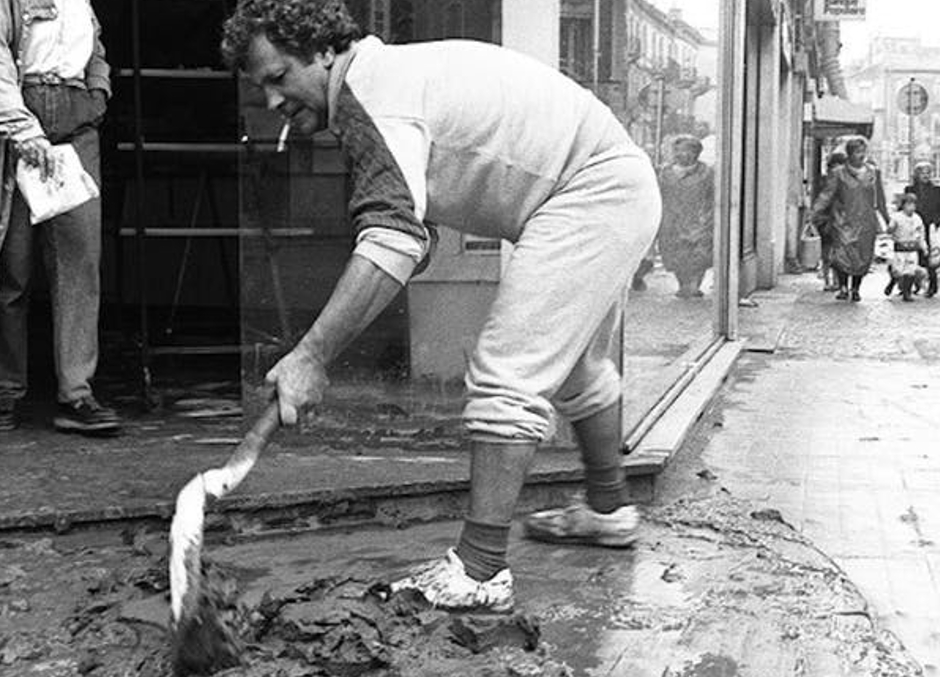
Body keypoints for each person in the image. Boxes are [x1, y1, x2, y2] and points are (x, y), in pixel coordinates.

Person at [221, 0, 659, 613]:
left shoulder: (374, 93)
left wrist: (311, 356)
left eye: (277, 77)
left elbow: (394, 240)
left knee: (507, 372)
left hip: (592, 192)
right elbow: (408, 234)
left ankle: (479, 572)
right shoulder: (379, 82)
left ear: (322, 51)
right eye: (260, 86)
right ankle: (609, 511)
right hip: (607, 189)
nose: (271, 101)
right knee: (576, 367)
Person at [0, 0, 121, 436]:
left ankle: (77, 394)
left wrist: (98, 93)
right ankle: (4, 393)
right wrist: (23, 130)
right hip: (14, 128)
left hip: (75, 126)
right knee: (9, 266)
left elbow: (95, 50)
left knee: (80, 263)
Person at [810, 137, 888, 303]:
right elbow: (827, 195)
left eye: (863, 152)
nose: (861, 156)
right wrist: (815, 212)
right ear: (850, 154)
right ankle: (843, 286)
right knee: (842, 254)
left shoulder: (873, 173)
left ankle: (856, 289)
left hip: (866, 221)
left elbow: (880, 198)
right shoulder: (838, 173)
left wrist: (887, 220)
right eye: (857, 152)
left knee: (863, 255)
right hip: (843, 219)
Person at [656, 135, 715, 299]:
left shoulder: (707, 173)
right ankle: (683, 284)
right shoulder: (665, 173)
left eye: (688, 151)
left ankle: (694, 285)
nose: (683, 154)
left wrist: (708, 218)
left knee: (698, 255)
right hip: (672, 221)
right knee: (676, 255)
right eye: (679, 150)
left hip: (698, 220)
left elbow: (712, 197)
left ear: (696, 153)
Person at [903, 161, 940, 297]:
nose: (926, 175)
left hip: (928, 228)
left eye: (928, 173)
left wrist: (936, 223)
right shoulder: (910, 190)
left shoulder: (937, 190)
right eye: (922, 173)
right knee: (911, 257)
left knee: (929, 259)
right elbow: (904, 207)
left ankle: (932, 286)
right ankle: (911, 286)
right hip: (912, 228)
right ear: (916, 175)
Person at [816, 150, 848, 291]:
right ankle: (828, 280)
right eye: (834, 166)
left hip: (839, 221)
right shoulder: (825, 181)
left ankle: (836, 281)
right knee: (827, 252)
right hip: (827, 221)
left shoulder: (846, 182)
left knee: (836, 253)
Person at [886, 193, 927, 302]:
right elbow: (889, 231)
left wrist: (924, 247)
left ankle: (907, 292)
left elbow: (921, 234)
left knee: (910, 271)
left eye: (913, 205)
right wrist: (891, 228)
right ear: (903, 205)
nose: (911, 207)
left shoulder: (917, 218)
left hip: (912, 248)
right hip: (900, 248)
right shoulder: (897, 217)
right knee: (899, 270)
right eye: (909, 204)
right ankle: (893, 282)